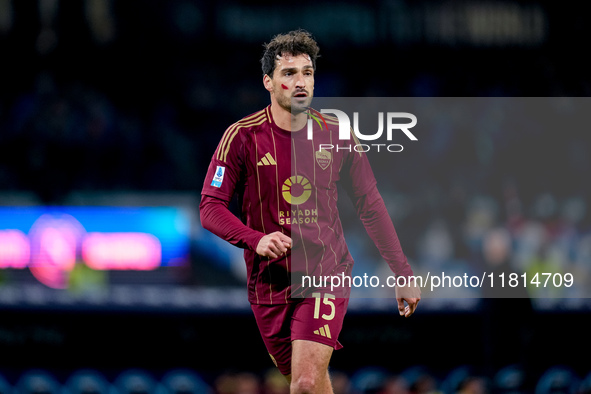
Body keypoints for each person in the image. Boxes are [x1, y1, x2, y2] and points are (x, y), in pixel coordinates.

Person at [200, 29, 420, 394]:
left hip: (324, 273)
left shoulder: (338, 133)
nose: (300, 82)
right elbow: (210, 207)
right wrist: (255, 240)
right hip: (268, 284)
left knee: (302, 384)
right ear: (268, 82)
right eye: (289, 73)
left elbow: (370, 203)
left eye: (307, 72)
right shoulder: (241, 136)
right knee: (313, 385)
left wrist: (401, 271)